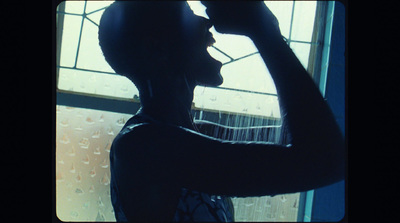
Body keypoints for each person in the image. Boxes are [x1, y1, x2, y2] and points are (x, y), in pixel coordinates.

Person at [98, 1, 345, 222]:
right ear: (156, 49)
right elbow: (325, 161)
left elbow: (317, 144)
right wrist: (262, 26)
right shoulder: (142, 146)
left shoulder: (197, 133)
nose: (205, 22)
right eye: (188, 15)